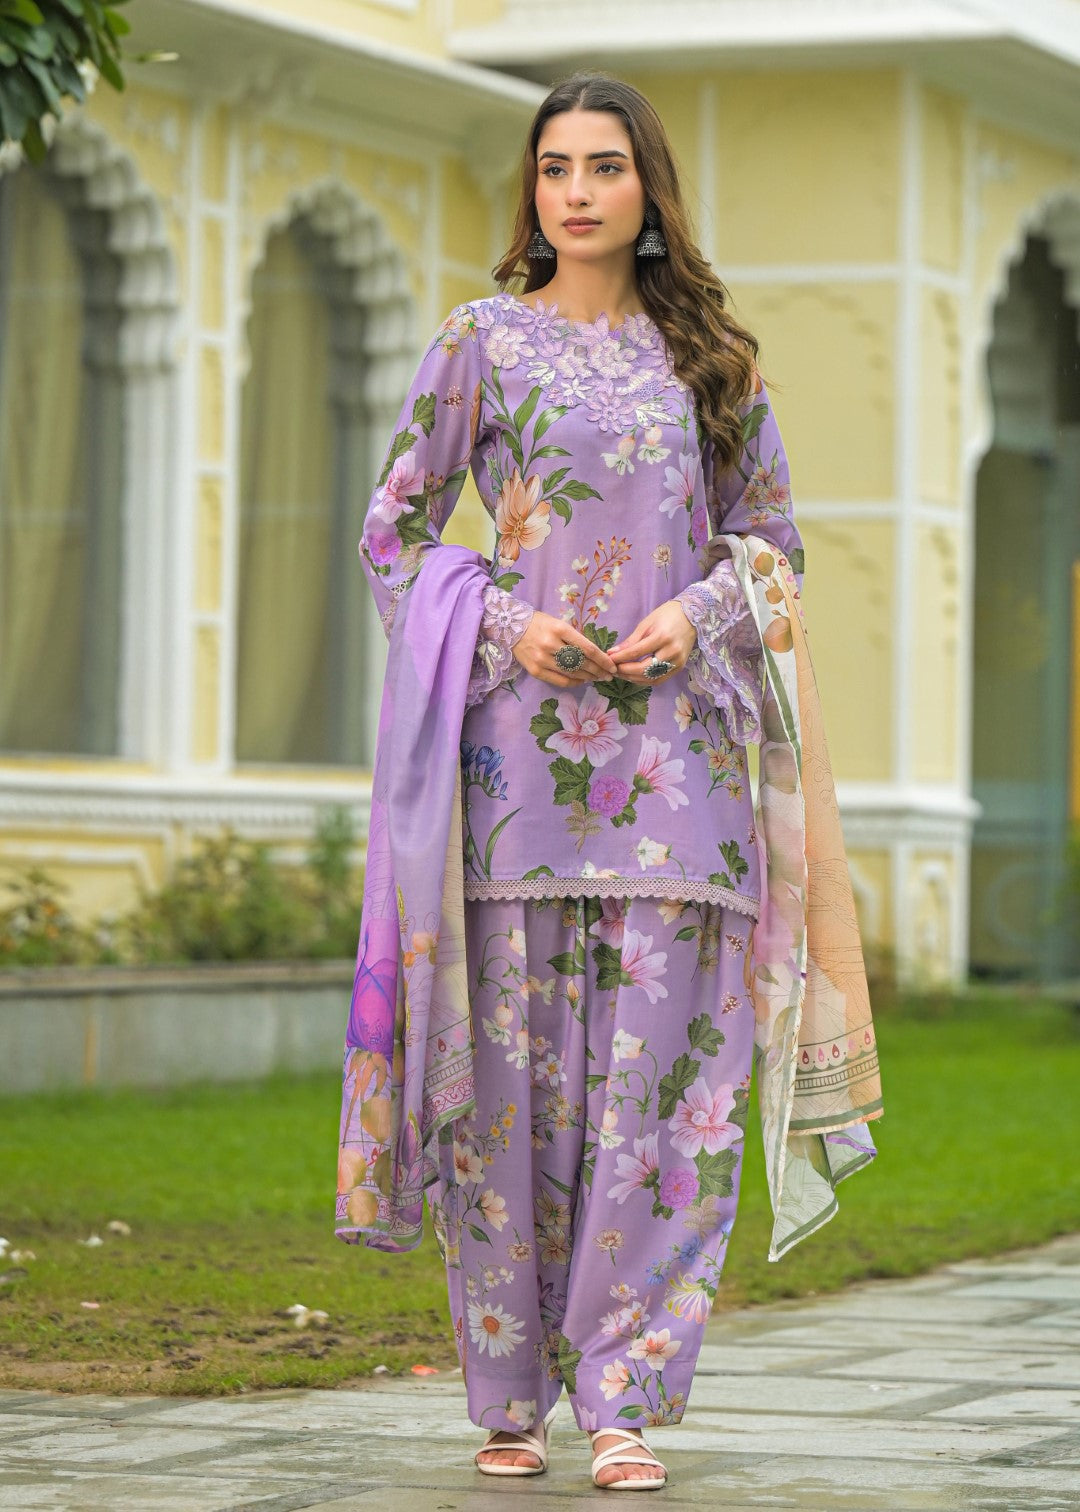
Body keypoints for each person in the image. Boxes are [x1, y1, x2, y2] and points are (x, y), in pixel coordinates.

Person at [335, 70, 884, 1492]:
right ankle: (511, 1395)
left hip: (679, 778)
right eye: (554, 167)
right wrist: (501, 621)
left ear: (650, 190)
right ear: (532, 189)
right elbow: (394, 531)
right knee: (506, 1098)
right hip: (512, 773)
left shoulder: (714, 363)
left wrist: (698, 614)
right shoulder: (480, 344)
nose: (576, 191)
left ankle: (624, 1394)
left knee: (665, 1095)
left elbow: (775, 545)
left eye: (605, 166)